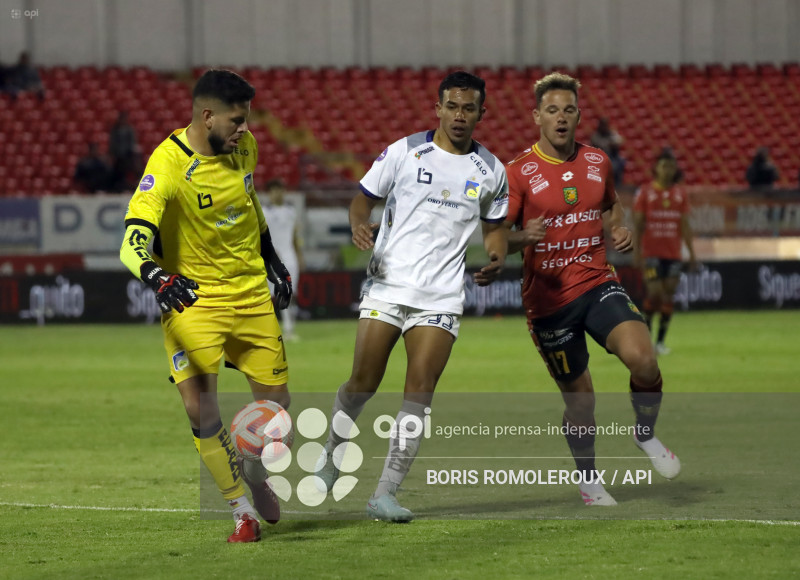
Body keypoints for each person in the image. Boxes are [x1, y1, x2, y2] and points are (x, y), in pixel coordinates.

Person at [314, 71, 509, 522]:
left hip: (441, 295)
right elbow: (362, 198)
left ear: (482, 113)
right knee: (363, 382)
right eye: (453, 106)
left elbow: (495, 227)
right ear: (437, 108)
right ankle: (330, 457)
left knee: (419, 393)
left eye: (469, 108)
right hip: (389, 284)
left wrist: (497, 256)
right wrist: (358, 223)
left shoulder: (491, 171)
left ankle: (385, 493)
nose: (460, 116)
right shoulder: (404, 151)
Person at [119, 69, 294, 543]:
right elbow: (131, 244)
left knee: (278, 415)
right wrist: (158, 276)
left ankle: (256, 475)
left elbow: (252, 208)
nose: (244, 130)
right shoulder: (169, 163)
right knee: (201, 408)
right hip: (193, 299)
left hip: (250, 293)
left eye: (247, 121)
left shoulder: (245, 146)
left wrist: (273, 260)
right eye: (236, 121)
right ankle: (241, 511)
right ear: (207, 115)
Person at [505, 72, 680, 507]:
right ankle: (589, 480)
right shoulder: (517, 173)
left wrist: (618, 228)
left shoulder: (598, 161)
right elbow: (493, 236)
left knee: (643, 359)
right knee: (581, 403)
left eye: (568, 110)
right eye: (551, 111)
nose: (560, 118)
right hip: (549, 304)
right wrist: (520, 238)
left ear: (578, 115)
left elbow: (612, 205)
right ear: (536, 117)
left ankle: (645, 433)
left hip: (598, 282)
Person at [633, 151, 697, 355]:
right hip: (651, 253)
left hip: (673, 254)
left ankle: (659, 342)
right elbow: (638, 224)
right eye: (663, 166)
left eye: (670, 166)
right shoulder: (644, 192)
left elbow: (685, 225)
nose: (667, 170)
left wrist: (692, 253)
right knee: (654, 293)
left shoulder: (681, 194)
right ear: (656, 168)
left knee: (668, 295)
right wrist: (636, 252)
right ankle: (645, 341)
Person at [262, 178, 305, 341]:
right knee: (267, 294)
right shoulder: (264, 212)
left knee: (288, 292)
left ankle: (288, 329)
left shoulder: (291, 211)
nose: (277, 193)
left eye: (279, 189)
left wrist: (299, 255)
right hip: (272, 256)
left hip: (289, 255)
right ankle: (267, 329)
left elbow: (294, 235)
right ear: (269, 193)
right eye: (273, 190)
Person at [109, 111, 143, 191]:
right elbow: (112, 144)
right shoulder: (115, 130)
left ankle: (138, 182)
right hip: (118, 156)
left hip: (128, 156)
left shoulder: (129, 130)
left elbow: (132, 143)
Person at [590, 117, 625, 185]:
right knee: (612, 167)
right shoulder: (596, 135)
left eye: (605, 125)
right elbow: (597, 144)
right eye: (603, 125)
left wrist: (613, 142)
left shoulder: (611, 133)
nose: (604, 127)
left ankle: (618, 185)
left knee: (620, 162)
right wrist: (608, 144)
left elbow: (620, 140)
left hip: (612, 157)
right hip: (599, 158)